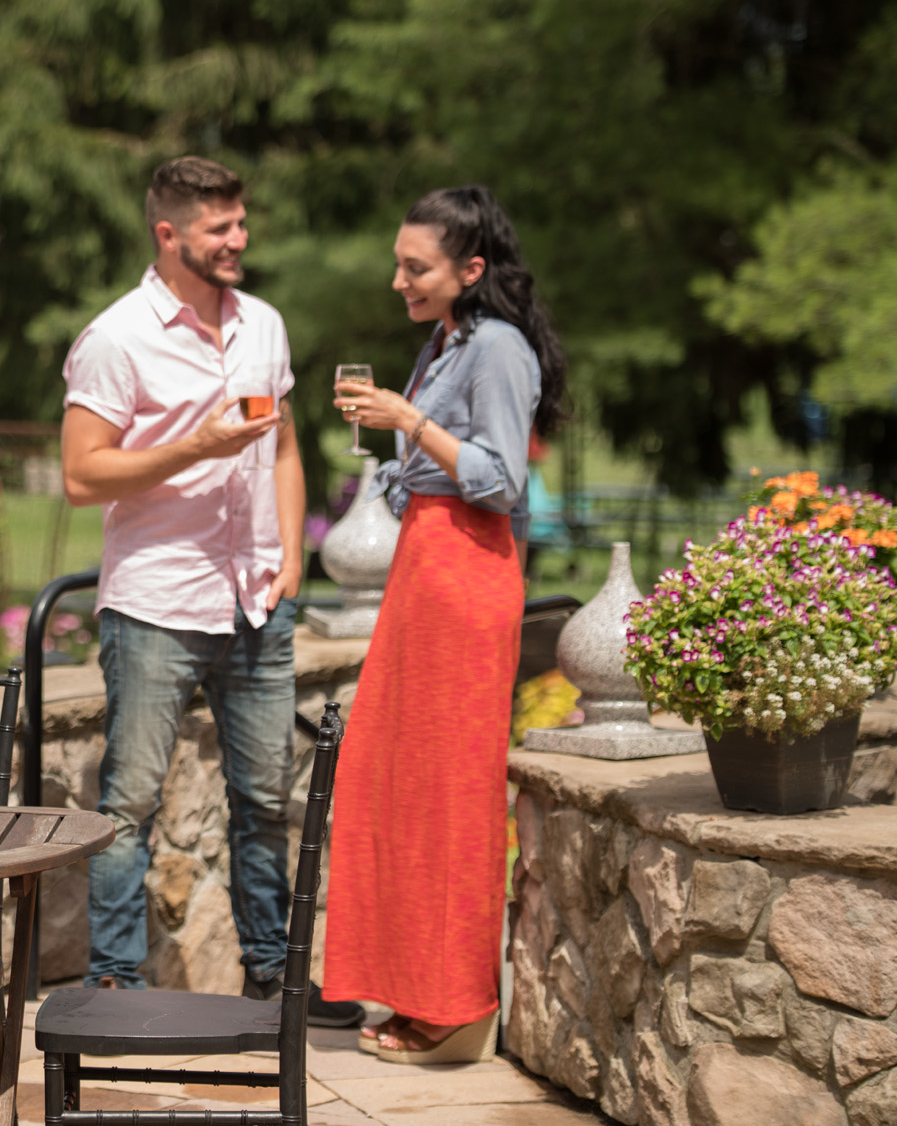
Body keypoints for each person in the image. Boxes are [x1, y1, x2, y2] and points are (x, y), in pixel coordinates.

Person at [61, 156, 364, 1027]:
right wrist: (193, 448)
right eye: (220, 227)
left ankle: (275, 976)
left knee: (266, 797)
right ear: (169, 233)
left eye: (241, 221)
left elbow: (286, 447)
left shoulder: (262, 324)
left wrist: (294, 555)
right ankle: (115, 981)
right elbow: (82, 475)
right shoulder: (117, 337)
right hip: (157, 603)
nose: (240, 239)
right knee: (130, 801)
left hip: (257, 599)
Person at [322, 184, 565, 1064]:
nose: (398, 279)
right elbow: (431, 471)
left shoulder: (496, 349)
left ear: (470, 268)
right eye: (397, 262)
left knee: (448, 789)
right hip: (428, 564)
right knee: (393, 779)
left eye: (413, 266)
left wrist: (408, 421)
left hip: (467, 573)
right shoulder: (446, 340)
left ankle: (455, 1000)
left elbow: (503, 482)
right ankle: (413, 982)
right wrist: (397, 458)